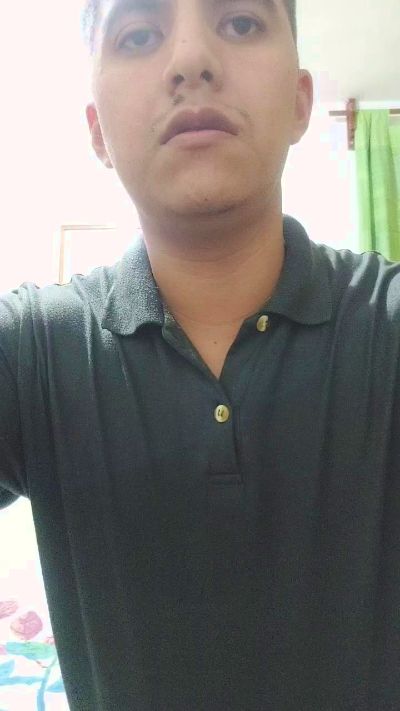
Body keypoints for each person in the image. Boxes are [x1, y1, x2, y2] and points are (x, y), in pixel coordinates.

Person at [1, 0, 400, 708]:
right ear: (96, 130)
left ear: (300, 101)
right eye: (139, 35)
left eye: (240, 22)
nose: (190, 60)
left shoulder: (387, 324)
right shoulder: (31, 350)